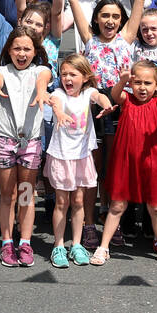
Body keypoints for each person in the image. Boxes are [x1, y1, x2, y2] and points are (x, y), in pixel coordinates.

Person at [52, 0, 157, 248]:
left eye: (116, 16)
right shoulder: (88, 40)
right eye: (105, 16)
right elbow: (75, 0)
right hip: (89, 104)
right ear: (97, 19)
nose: (111, 21)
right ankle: (89, 223)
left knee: (114, 169)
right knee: (91, 168)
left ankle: (109, 221)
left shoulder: (128, 38)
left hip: (120, 105)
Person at [91, 60, 157, 267]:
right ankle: (103, 247)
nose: (142, 87)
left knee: (156, 207)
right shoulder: (127, 99)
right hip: (126, 161)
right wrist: (122, 81)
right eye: (137, 82)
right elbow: (115, 95)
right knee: (117, 205)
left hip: (153, 161)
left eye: (148, 83)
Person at [0, 27, 52, 267]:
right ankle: (6, 243)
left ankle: (25, 242)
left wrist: (42, 91)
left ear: (35, 51)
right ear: (9, 50)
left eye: (27, 49)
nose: (21, 53)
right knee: (7, 195)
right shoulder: (1, 70)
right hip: (4, 139)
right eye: (16, 48)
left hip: (31, 142)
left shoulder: (41, 69)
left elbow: (42, 80)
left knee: (26, 194)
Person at [44, 54, 111, 267]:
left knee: (79, 201)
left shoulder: (88, 93)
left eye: (73, 74)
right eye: (63, 74)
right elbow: (55, 103)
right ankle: (58, 246)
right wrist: (59, 114)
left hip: (81, 156)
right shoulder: (58, 93)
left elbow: (99, 98)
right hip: (62, 155)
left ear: (85, 77)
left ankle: (77, 244)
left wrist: (107, 104)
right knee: (62, 202)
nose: (67, 78)